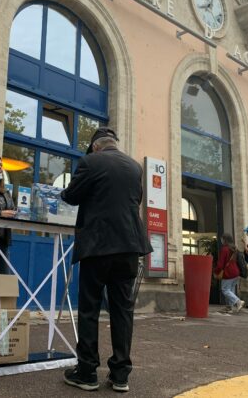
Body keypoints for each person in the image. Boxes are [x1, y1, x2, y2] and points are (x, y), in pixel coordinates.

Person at [60, 127, 153, 393]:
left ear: (95, 146)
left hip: (98, 246)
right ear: (113, 144)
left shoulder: (91, 161)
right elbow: (135, 200)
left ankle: (87, 372)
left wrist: (65, 194)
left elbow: (72, 195)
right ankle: (120, 375)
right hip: (129, 247)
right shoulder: (135, 167)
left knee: (89, 309)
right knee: (123, 311)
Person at [214, 234, 244, 313]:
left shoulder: (225, 249)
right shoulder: (234, 248)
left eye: (222, 239)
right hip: (236, 272)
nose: (221, 241)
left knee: (225, 289)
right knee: (231, 290)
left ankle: (238, 301)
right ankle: (230, 307)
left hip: (228, 273)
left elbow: (220, 264)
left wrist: (215, 272)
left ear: (225, 240)